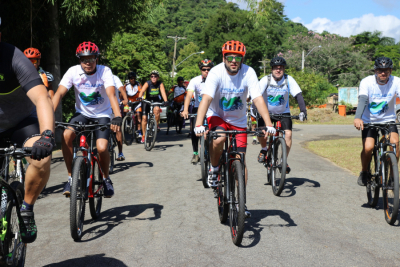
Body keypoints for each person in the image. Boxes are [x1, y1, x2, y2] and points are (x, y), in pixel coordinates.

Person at [194, 40, 276, 218]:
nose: (233, 61)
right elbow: (206, 99)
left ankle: (241, 202)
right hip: (217, 114)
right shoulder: (215, 72)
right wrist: (199, 124)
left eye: (237, 57)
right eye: (229, 57)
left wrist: (268, 124)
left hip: (238, 120)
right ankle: (214, 168)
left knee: (240, 159)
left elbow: (258, 99)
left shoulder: (249, 72)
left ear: (242, 59)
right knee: (220, 137)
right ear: (224, 57)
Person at [0, 17, 55, 243]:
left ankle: (26, 208)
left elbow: (42, 98)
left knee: (41, 158)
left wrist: (47, 135)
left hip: (21, 123)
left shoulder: (14, 57)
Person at [52, 41, 122, 198]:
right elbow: (59, 94)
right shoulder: (73, 72)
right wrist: (49, 116)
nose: (88, 62)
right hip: (82, 114)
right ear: (79, 60)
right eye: (84, 59)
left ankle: (106, 179)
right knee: (66, 136)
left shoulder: (104, 71)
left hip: (102, 114)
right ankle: (71, 177)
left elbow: (111, 94)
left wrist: (117, 116)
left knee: (102, 148)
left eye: (91, 59)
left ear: (96, 58)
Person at [255, 56, 307, 174]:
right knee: (262, 133)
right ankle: (264, 149)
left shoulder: (288, 79)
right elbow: (256, 96)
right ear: (272, 69)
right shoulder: (265, 80)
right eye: (275, 68)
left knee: (288, 134)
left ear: (283, 69)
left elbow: (298, 95)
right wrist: (254, 109)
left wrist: (303, 111)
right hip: (266, 113)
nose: (278, 70)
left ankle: (284, 160)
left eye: (281, 68)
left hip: (284, 113)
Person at [354, 57, 400, 186]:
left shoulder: (397, 81)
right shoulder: (367, 82)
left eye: (386, 70)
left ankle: (392, 176)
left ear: (390, 70)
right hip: (369, 120)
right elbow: (362, 100)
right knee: (368, 148)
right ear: (375, 70)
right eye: (380, 70)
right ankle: (364, 171)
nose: (383, 73)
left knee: (395, 144)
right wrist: (358, 117)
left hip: (388, 120)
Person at [182, 59, 214, 164]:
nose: (206, 71)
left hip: (212, 109)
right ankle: (195, 153)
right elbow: (188, 95)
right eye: (204, 69)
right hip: (198, 109)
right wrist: (186, 109)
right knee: (194, 130)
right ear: (200, 70)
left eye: (209, 69)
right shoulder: (195, 80)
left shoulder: (216, 80)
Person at [138, 70, 168, 143]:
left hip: (156, 101)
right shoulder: (147, 83)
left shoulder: (160, 84)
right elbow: (142, 91)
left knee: (157, 110)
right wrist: (139, 97)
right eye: (152, 76)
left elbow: (163, 92)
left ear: (158, 77)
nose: (153, 78)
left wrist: (166, 100)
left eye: (155, 76)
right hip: (147, 101)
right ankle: (144, 135)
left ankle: (156, 125)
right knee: (144, 118)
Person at [112, 74, 128, 161]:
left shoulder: (114, 78)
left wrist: (125, 98)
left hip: (115, 106)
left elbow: (121, 88)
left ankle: (120, 152)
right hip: (102, 109)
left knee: (118, 129)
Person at [124, 71, 143, 138]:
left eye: (134, 78)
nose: (133, 80)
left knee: (138, 116)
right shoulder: (126, 85)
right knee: (125, 111)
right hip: (129, 103)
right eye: (131, 78)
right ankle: (127, 122)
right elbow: (122, 94)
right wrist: (122, 100)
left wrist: (141, 98)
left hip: (137, 103)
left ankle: (139, 131)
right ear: (129, 79)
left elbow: (142, 92)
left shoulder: (139, 85)